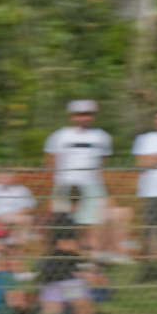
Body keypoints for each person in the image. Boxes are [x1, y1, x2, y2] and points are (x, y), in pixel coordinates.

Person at [45, 100, 114, 256]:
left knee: (91, 223)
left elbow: (103, 165)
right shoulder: (59, 135)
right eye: (79, 114)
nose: (83, 118)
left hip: (92, 186)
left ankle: (91, 258)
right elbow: (50, 161)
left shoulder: (102, 137)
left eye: (87, 114)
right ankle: (59, 257)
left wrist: (106, 190)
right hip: (64, 185)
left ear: (93, 116)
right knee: (62, 222)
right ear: (72, 116)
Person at [36, 217, 108, 314]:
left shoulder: (63, 227)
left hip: (61, 279)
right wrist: (88, 255)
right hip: (62, 281)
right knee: (72, 311)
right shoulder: (66, 227)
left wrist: (88, 267)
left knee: (77, 310)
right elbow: (68, 247)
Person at [133, 109, 157, 282]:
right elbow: (141, 163)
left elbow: (150, 161)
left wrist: (156, 159)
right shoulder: (145, 139)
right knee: (147, 233)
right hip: (151, 193)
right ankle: (146, 270)